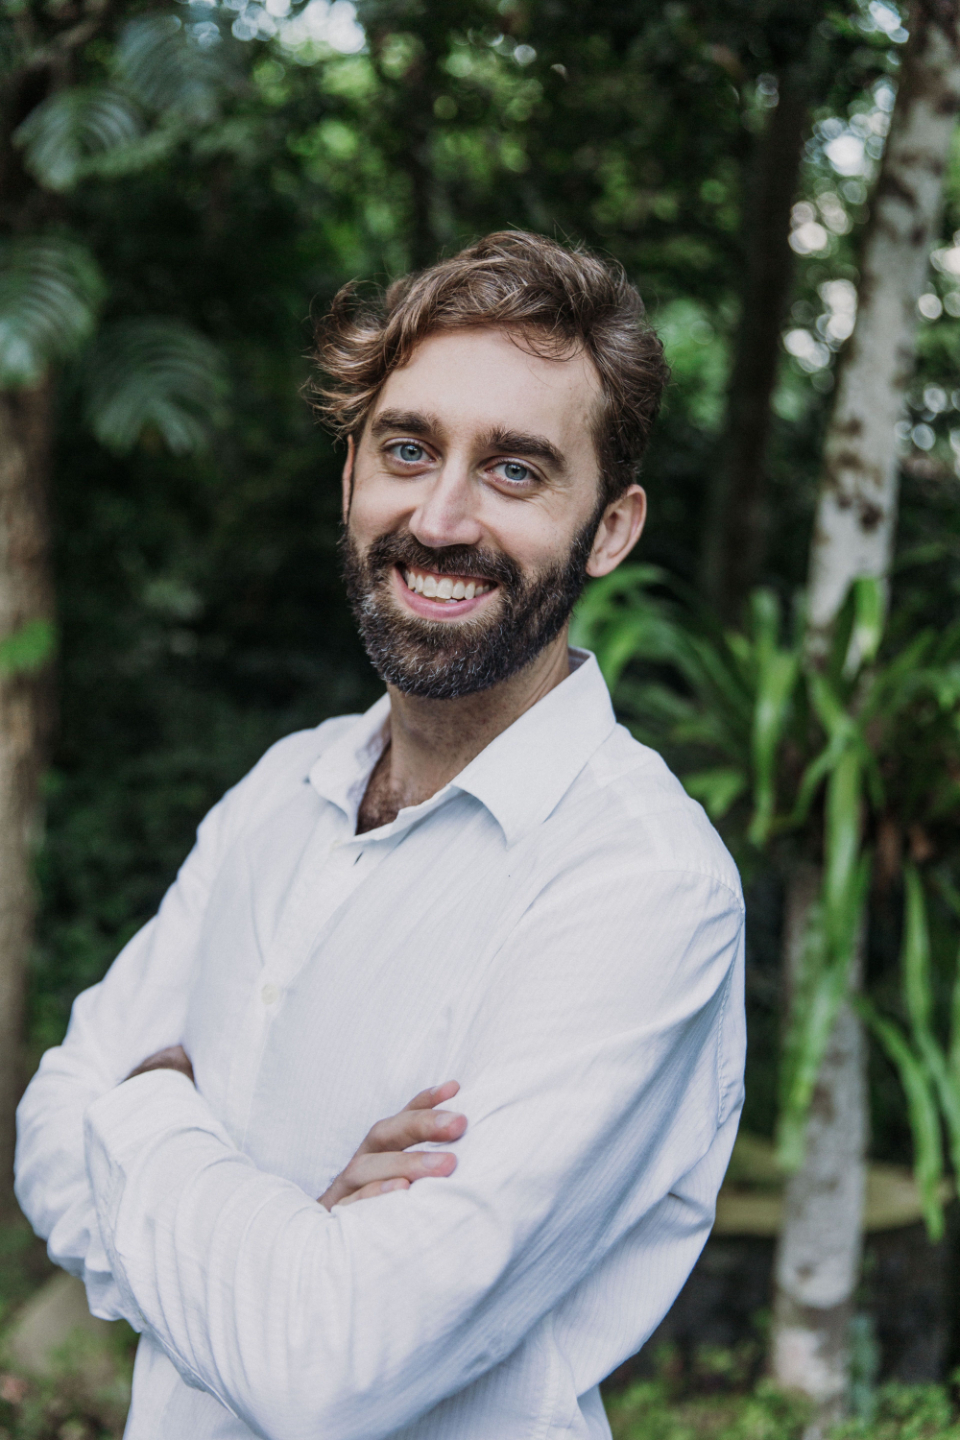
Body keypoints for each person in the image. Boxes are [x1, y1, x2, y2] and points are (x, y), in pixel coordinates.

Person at [15, 231, 745, 1440]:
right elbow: (47, 1131)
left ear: (610, 529)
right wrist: (292, 1245)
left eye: (515, 470)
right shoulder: (282, 788)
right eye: (409, 449)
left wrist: (144, 1108)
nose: (442, 517)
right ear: (351, 472)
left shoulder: (642, 887)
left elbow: (330, 1368)